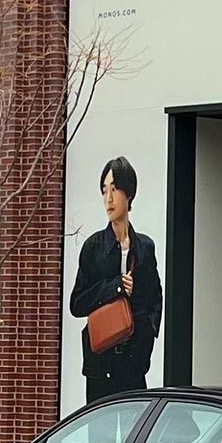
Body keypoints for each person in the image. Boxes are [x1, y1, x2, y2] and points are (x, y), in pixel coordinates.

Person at [70, 157, 163, 404]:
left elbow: (155, 298)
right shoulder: (93, 247)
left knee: (135, 431)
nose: (108, 199)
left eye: (114, 189)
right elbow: (77, 304)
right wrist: (115, 287)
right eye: (104, 191)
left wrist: (147, 340)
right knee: (102, 439)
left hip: (133, 363)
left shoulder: (145, 247)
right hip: (100, 363)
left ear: (129, 194)